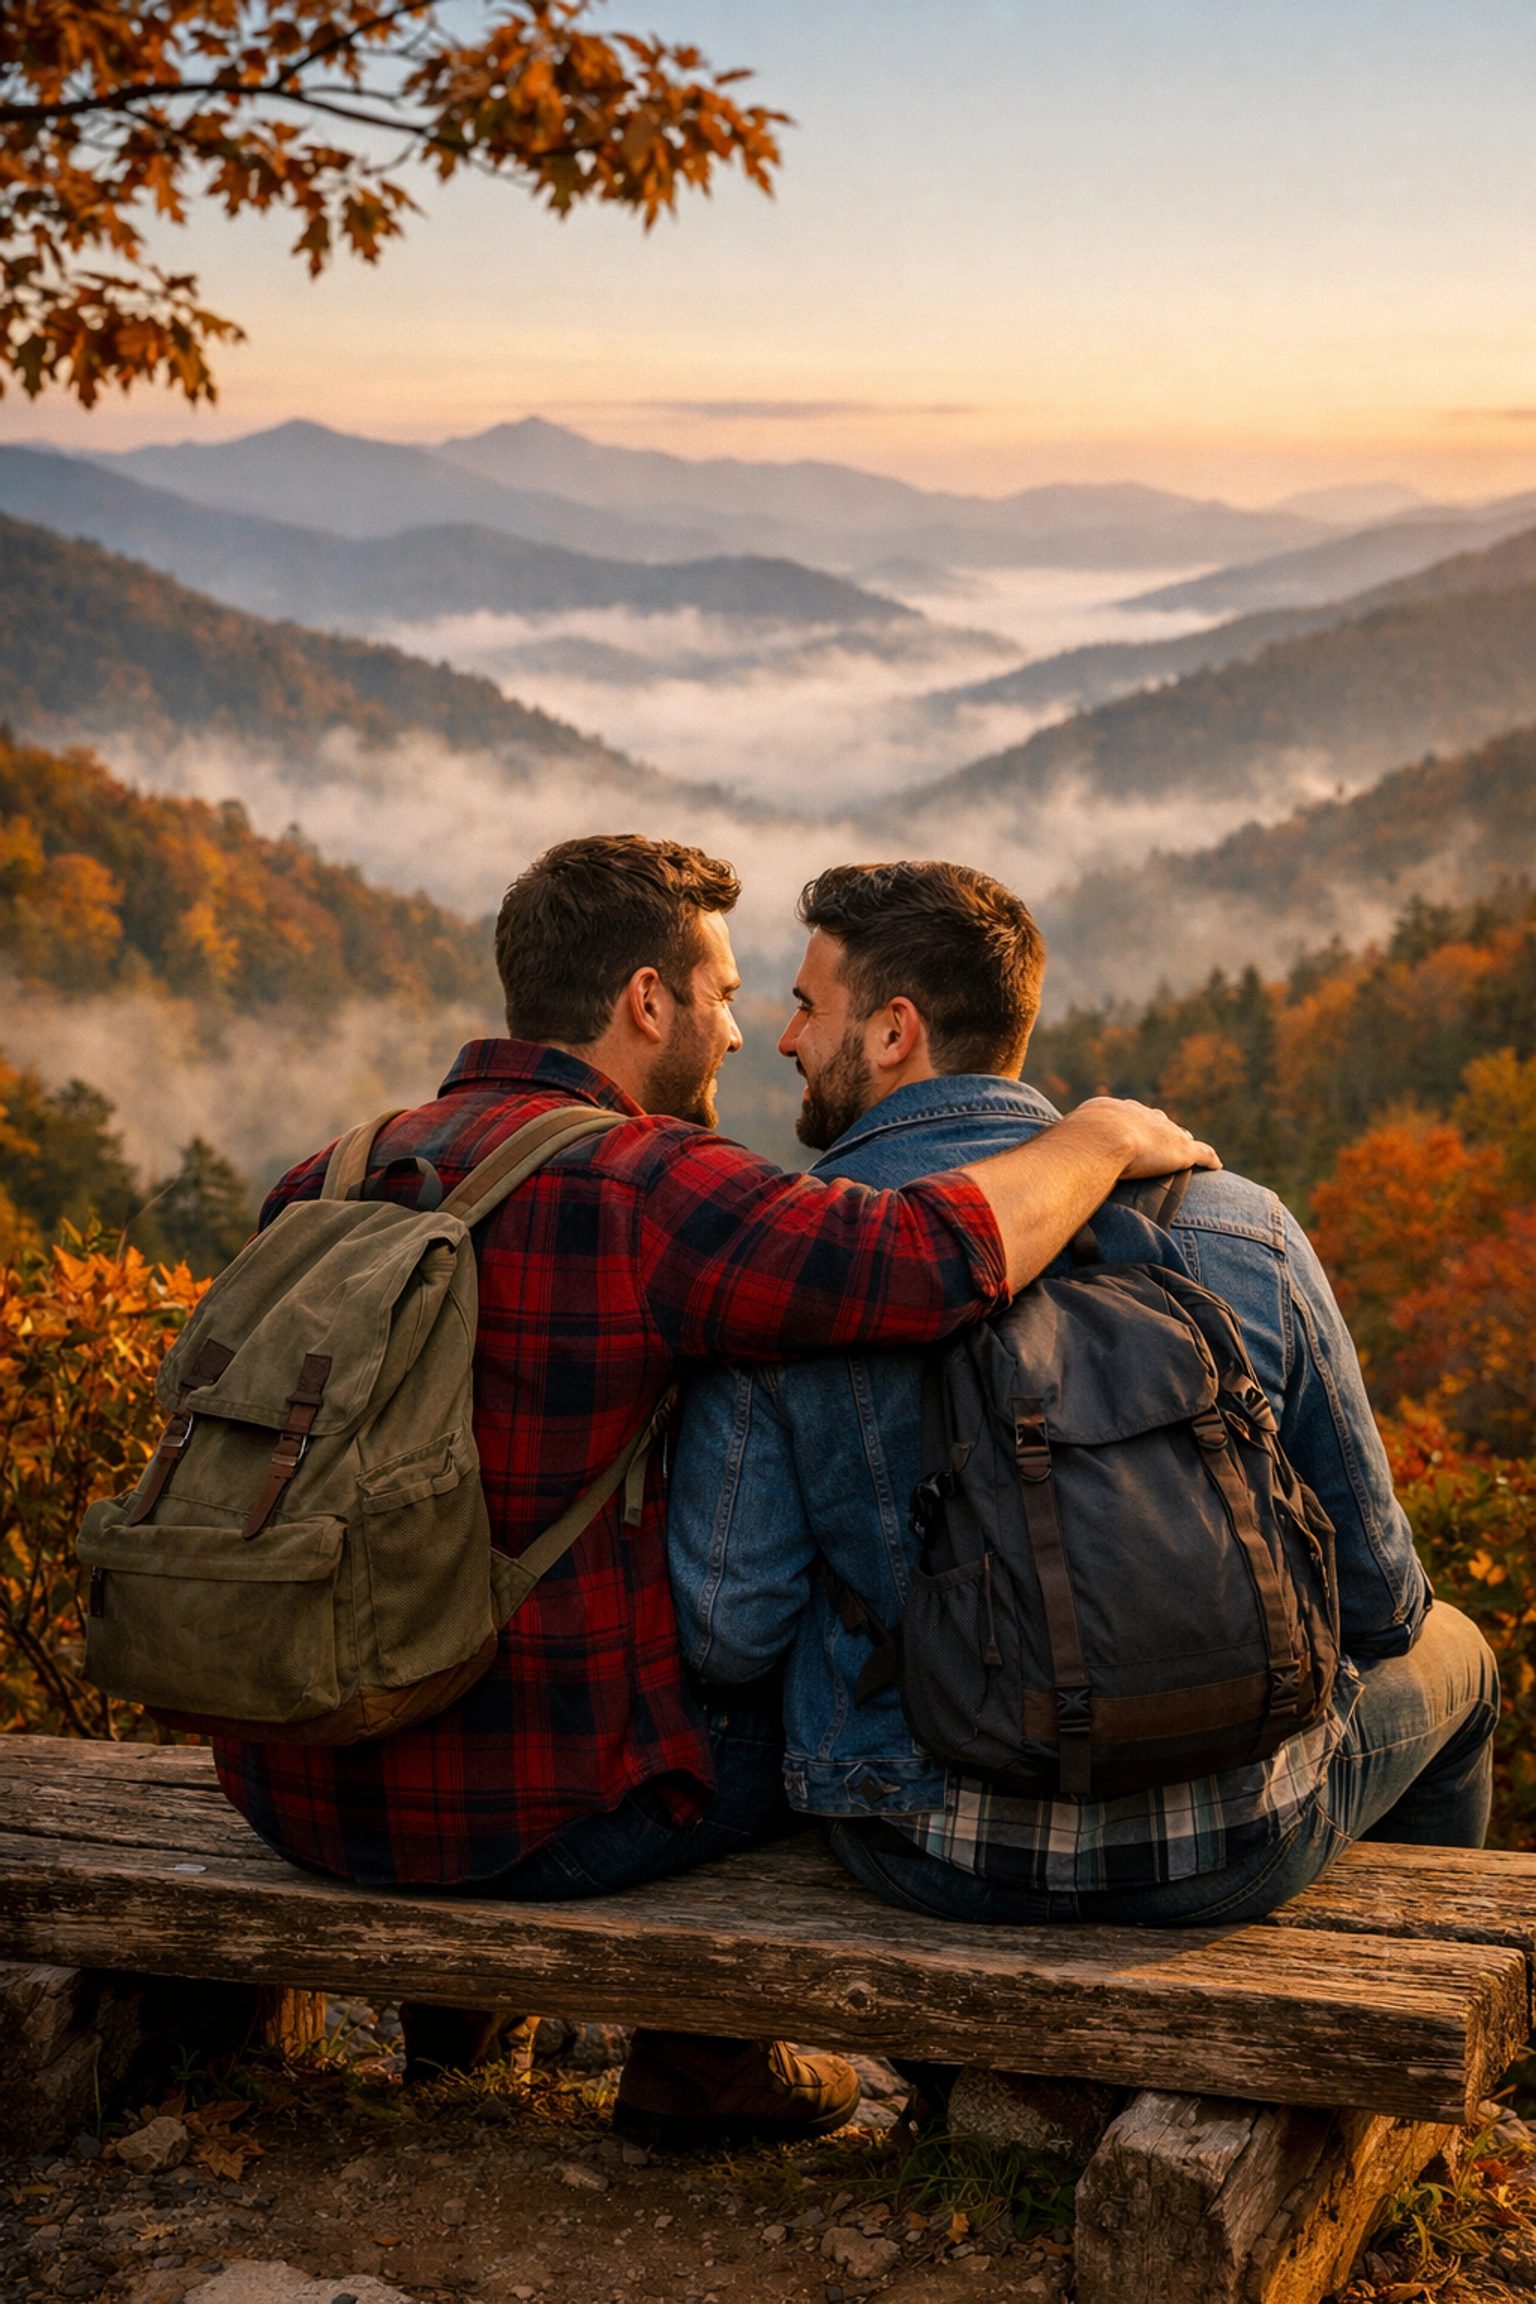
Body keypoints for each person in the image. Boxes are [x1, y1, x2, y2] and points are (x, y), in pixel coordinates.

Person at [211, 833, 1214, 2145]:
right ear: (646, 1001)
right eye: (726, 994)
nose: (742, 1034)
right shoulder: (653, 1189)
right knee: (788, 1645)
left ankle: (456, 2044)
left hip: (301, 1780)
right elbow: (927, 1259)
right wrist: (1093, 1136)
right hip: (546, 1821)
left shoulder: (332, 1175)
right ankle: (709, 2074)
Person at [669, 859, 1499, 1931]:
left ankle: (956, 2084)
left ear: (893, 1033)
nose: (784, 1040)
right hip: (1238, 1838)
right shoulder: (1236, 1222)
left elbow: (728, 1634)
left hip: (929, 1852)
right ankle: (1402, 2005)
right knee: (1463, 1660)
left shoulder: (793, 1262)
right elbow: (1383, 1599)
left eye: (805, 1008)